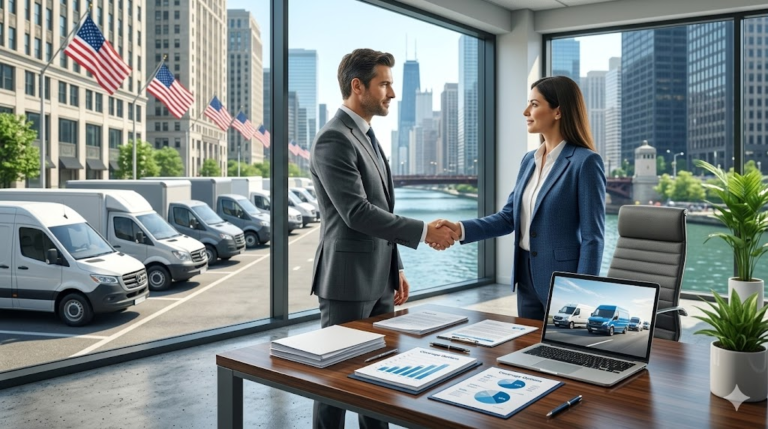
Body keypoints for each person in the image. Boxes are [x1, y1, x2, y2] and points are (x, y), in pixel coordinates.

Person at [309, 48, 458, 429]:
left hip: (380, 278)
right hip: (347, 281)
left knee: (378, 377)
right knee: (335, 381)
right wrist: (424, 231)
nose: (392, 93)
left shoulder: (368, 136)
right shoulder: (333, 139)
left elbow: (383, 208)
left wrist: (398, 267)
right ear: (358, 86)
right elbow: (357, 212)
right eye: (385, 84)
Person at [433, 76, 606, 320]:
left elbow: (593, 238)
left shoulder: (585, 162)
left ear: (558, 112)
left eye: (534, 104)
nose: (526, 111)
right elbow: (508, 218)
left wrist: (583, 293)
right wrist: (460, 229)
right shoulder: (529, 160)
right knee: (526, 342)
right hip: (525, 279)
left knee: (562, 345)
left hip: (565, 284)